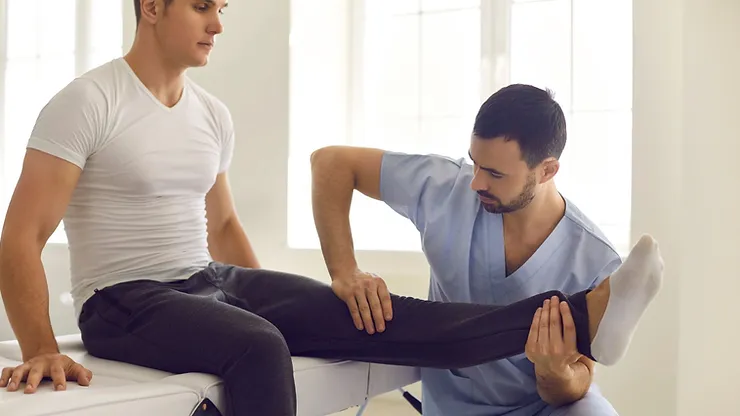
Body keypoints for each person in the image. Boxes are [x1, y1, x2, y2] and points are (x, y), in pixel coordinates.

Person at [0, 1, 664, 416]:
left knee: (380, 318)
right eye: (202, 7)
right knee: (260, 346)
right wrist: (40, 346)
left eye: (221, 7)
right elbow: (21, 235)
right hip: (123, 299)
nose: (218, 23)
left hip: (206, 279)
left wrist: (254, 299)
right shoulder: (90, 102)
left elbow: (223, 225)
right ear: (150, 6)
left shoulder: (210, 115)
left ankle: (585, 313)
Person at [309, 84, 650, 415]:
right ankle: (586, 310)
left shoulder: (591, 257)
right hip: (455, 406)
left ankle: (588, 312)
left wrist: (555, 371)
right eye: (475, 163)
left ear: (546, 170)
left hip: (543, 407)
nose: (476, 183)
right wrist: (345, 270)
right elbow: (331, 162)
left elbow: (574, 387)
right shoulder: (445, 187)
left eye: (495, 174)